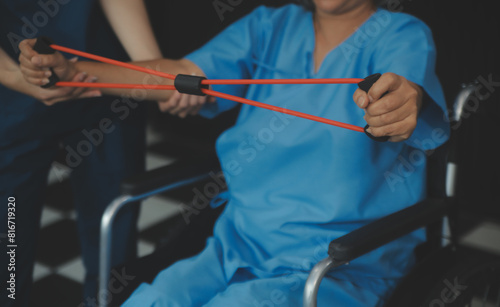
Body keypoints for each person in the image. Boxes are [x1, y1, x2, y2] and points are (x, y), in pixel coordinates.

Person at [18, 0, 450, 305]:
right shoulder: (267, 27)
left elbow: (403, 90)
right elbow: (180, 76)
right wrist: (76, 73)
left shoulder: (401, 34)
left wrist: (401, 103)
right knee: (157, 299)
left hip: (339, 262)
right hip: (237, 244)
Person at [0, 0, 162, 306]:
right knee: (8, 243)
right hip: (11, 96)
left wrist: (157, 72)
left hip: (105, 86)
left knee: (113, 242)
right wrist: (12, 76)